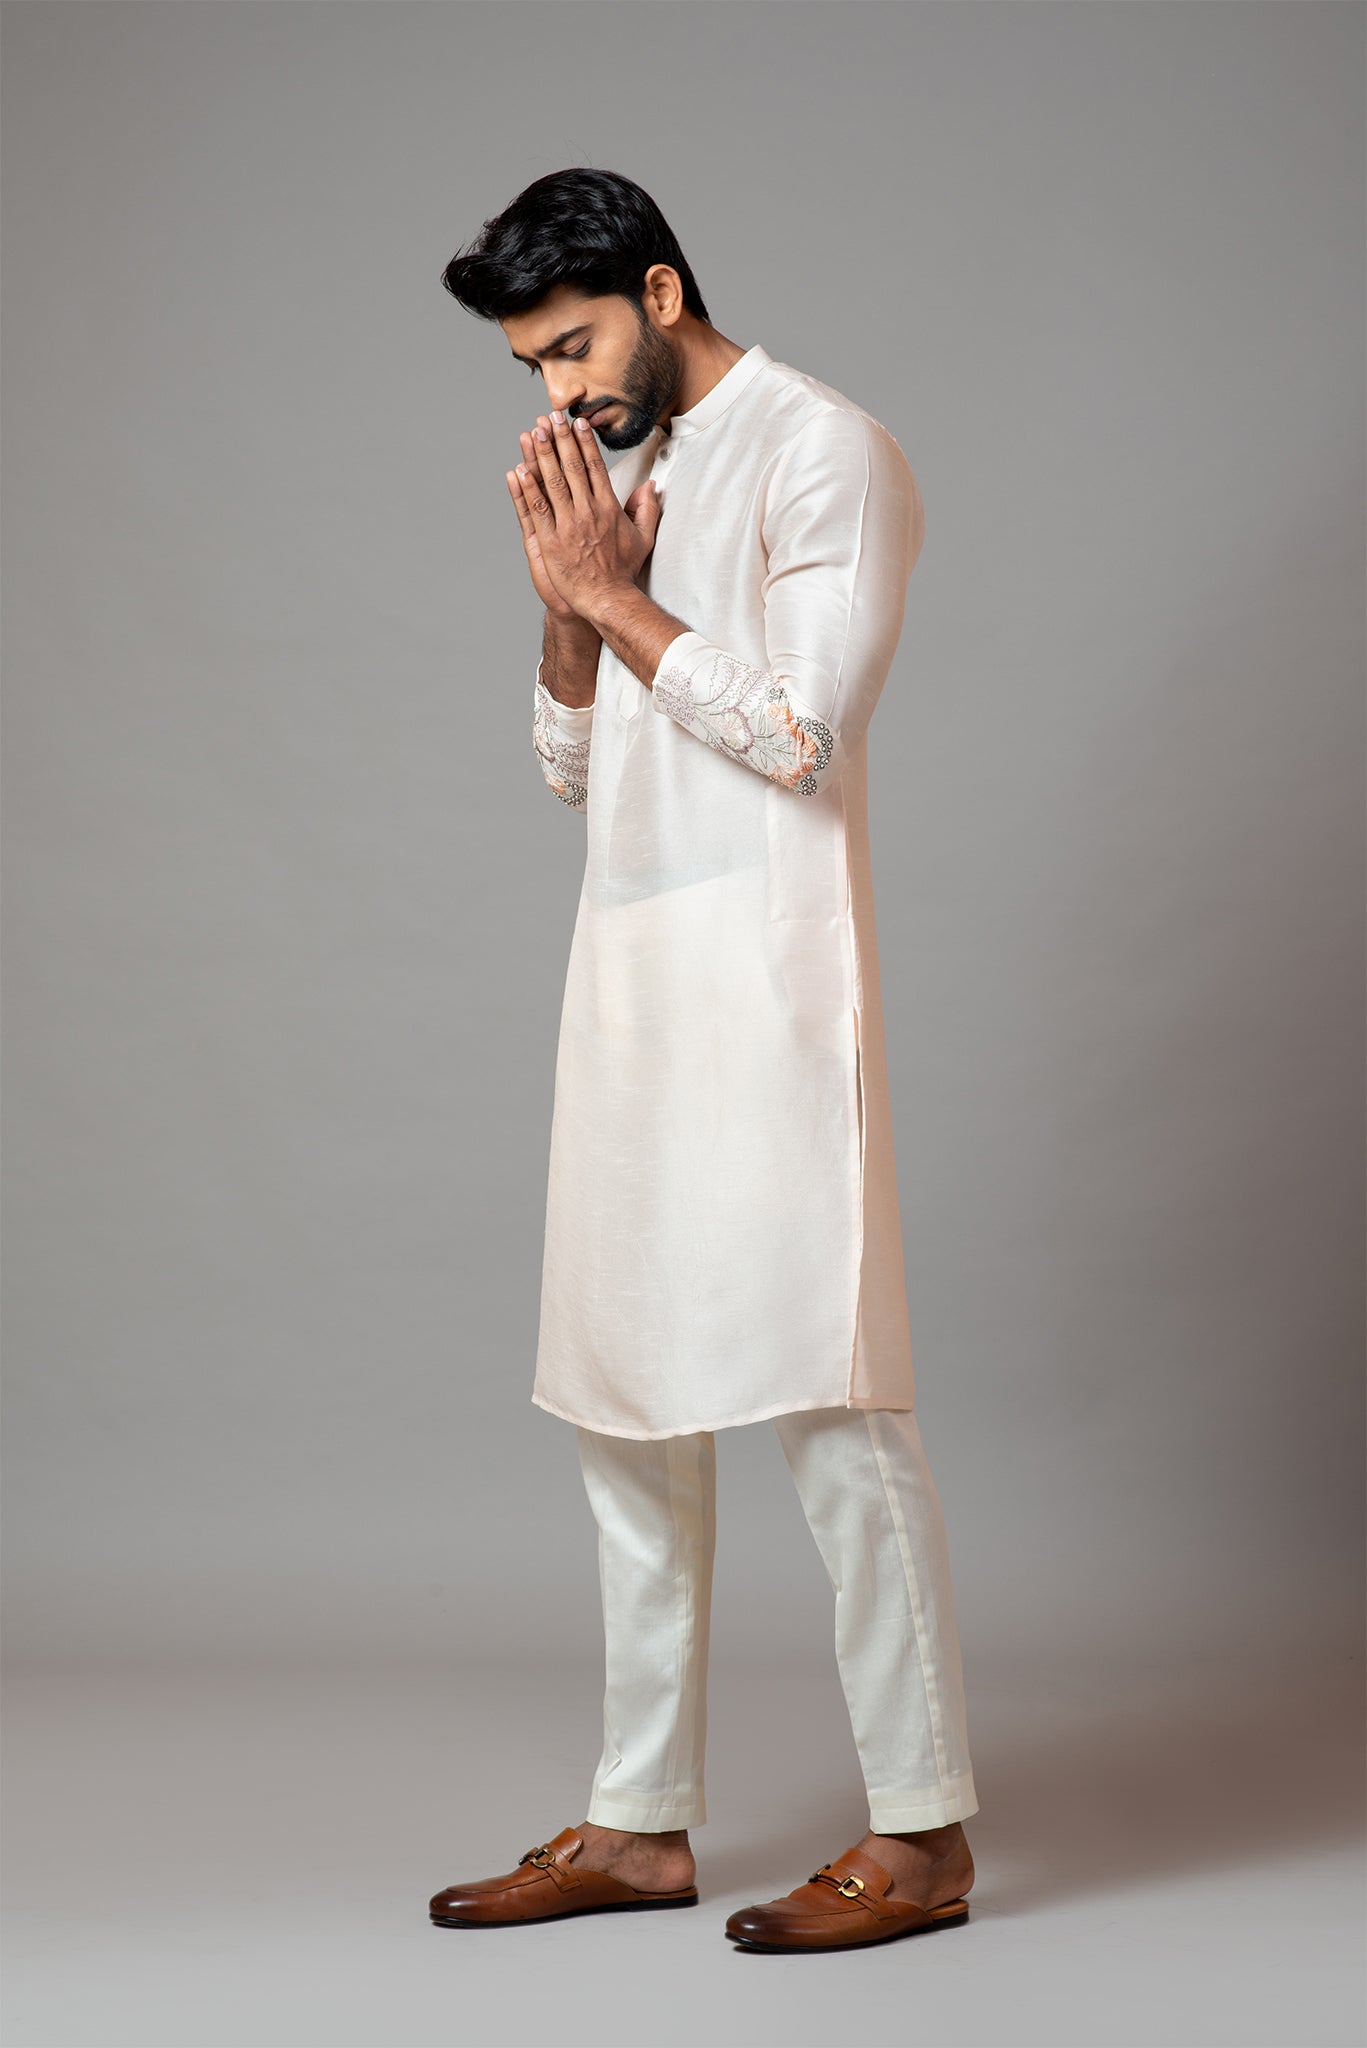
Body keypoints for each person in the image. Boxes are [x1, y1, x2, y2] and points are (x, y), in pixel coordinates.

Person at [432, 167, 979, 1954]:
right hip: (629, 985)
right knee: (624, 1408)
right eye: (532, 365)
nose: (559, 392)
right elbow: (572, 774)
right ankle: (638, 1822)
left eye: (575, 345)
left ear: (660, 292)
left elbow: (804, 732)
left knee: (833, 1402)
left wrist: (619, 595)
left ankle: (922, 1834)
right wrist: (563, 599)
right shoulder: (630, 474)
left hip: (774, 981)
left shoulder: (829, 450)